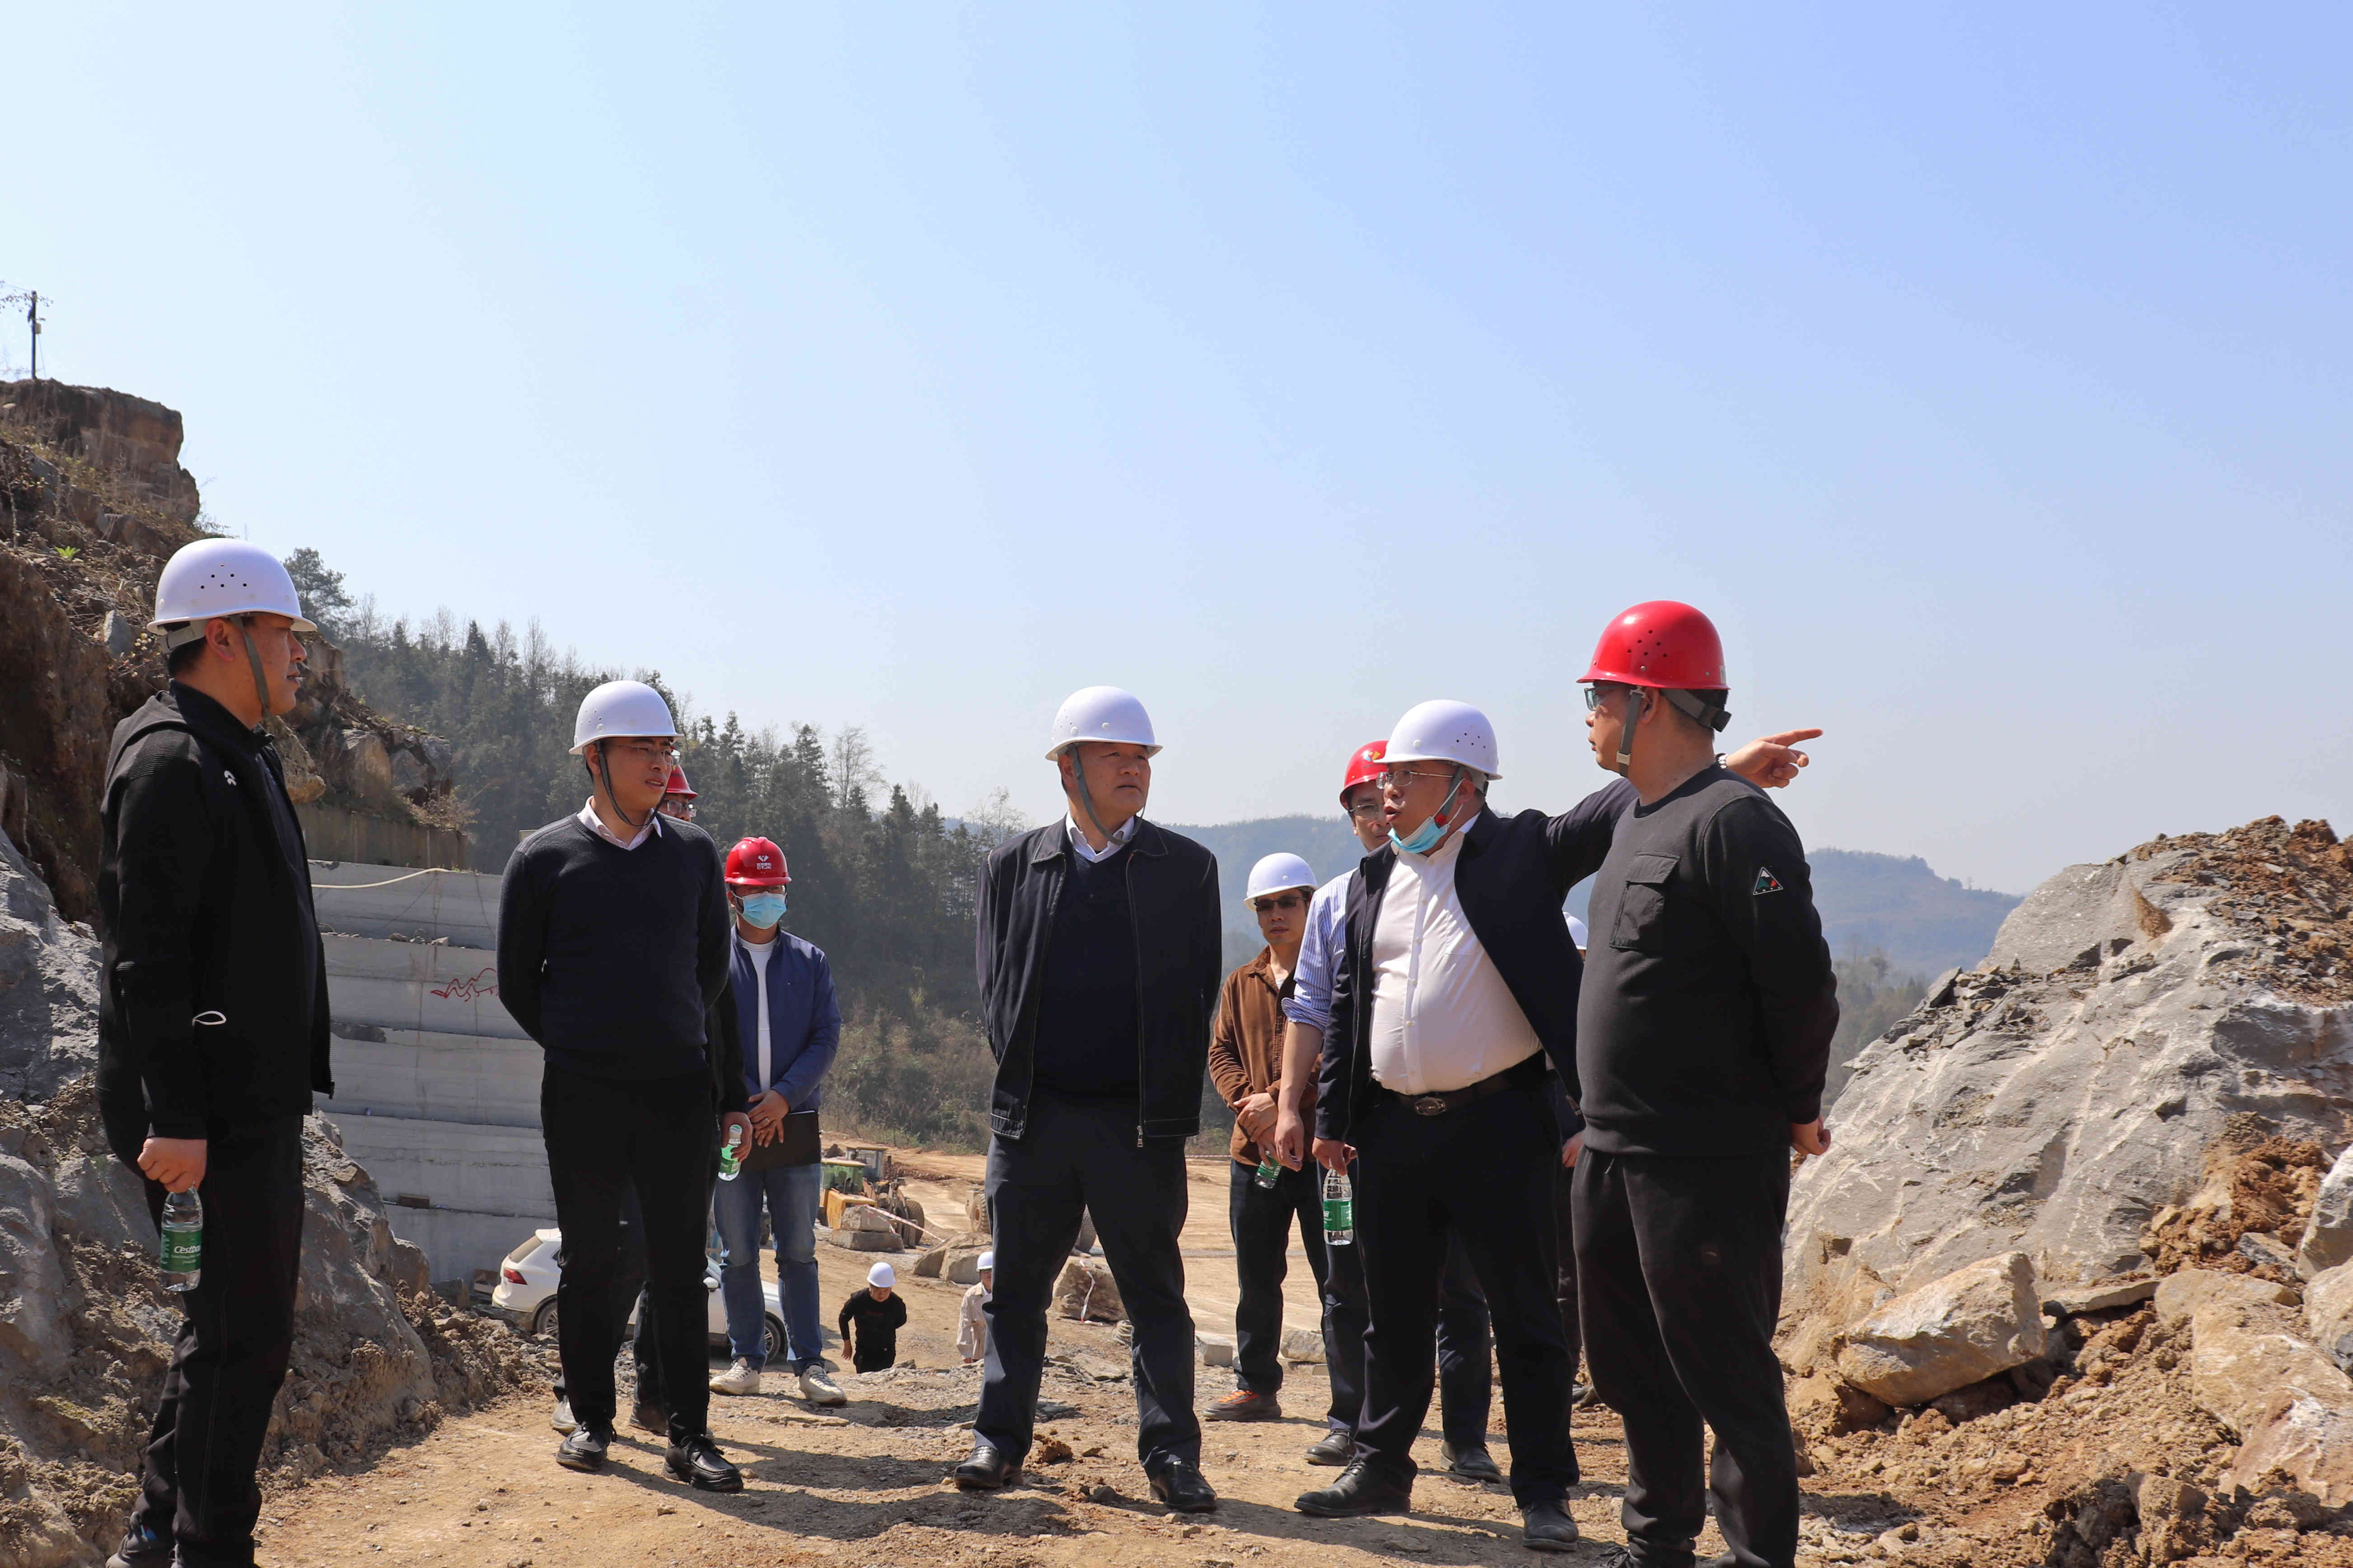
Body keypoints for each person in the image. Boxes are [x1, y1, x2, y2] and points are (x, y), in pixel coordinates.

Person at [1285, 699, 1818, 1552]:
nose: (1387, 792)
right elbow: (1353, 1001)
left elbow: (1626, 797)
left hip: (1498, 1123)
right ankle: (1380, 1462)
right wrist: (1331, 1118)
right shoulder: (1375, 879)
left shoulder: (1521, 852)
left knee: (1525, 1316)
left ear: (1463, 786)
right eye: (1384, 778)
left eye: (1407, 776)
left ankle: (1542, 1490)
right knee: (1393, 1312)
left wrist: (1728, 767)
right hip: (1391, 1131)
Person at [1570, 602, 1837, 1568]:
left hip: (1704, 1157)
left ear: (1648, 701)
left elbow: (1798, 984)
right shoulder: (1638, 819)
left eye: (1600, 696)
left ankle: (1757, 1555)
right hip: (1614, 1150)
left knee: (1725, 1373)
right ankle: (1658, 1545)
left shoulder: (1735, 824)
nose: (1588, 716)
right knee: (1634, 1371)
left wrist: (1797, 1107)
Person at [95, 540, 328, 1568]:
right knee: (244, 1342)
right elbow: (146, 961)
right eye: (286, 634)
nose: (300, 655)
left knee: (226, 1332)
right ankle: (210, 1546)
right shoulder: (171, 760)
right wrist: (177, 1117)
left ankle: (159, 1536)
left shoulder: (236, 751)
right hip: (207, 1114)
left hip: (247, 1103)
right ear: (225, 634)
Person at [956, 686, 1222, 1515]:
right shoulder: (1013, 866)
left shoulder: (1186, 870)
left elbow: (1195, 992)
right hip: (1033, 1120)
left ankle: (1171, 1454)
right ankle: (999, 1440)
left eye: (1141, 757)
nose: (1133, 769)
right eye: (1114, 755)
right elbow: (995, 989)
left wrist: (1163, 1102)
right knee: (1015, 1292)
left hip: (1136, 1126)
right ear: (1067, 767)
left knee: (1155, 1296)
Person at [497, 680, 751, 1493]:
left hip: (677, 1089)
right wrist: (583, 1045)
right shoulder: (544, 858)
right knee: (589, 1260)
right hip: (582, 1092)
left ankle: (689, 1433)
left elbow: (711, 969)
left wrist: (673, 1041)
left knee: (679, 1265)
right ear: (595, 757)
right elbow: (516, 982)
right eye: (642, 748)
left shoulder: (694, 854)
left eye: (666, 748)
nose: (659, 762)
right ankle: (591, 1420)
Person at [1263, 743, 1502, 1476]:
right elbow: (1308, 1008)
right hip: (1357, 1128)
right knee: (1348, 1281)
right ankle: (1351, 1420)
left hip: (1453, 1121)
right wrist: (1292, 1108)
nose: (1376, 817)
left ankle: (1465, 1438)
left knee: (1458, 1289)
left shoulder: (1461, 883)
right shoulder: (1336, 901)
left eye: (1384, 800)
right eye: (1362, 807)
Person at [708, 835, 847, 1406]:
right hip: (732, 1126)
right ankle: (746, 1358)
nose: (767, 898)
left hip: (795, 1123)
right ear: (733, 896)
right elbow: (709, 1037)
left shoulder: (810, 962)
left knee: (799, 1250)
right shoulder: (711, 960)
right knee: (737, 1250)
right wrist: (743, 1105)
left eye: (775, 888)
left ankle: (810, 1364)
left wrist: (784, 1098)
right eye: (756, 890)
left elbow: (826, 1036)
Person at [1202, 852, 1323, 1423]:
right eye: (1265, 905)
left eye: (1287, 902)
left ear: (1310, 905)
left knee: (1341, 1280)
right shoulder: (1240, 983)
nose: (1276, 914)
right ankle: (1255, 1386)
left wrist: (1280, 1098)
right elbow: (1220, 1052)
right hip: (1255, 1158)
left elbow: (1337, 1052)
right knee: (1256, 1277)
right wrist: (1251, 1111)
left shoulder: (1334, 978)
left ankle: (1355, 1400)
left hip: (1325, 1157)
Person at [839, 1262, 908, 1373]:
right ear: (870, 1286)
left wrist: (883, 1328)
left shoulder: (896, 1303)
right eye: (877, 1290)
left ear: (891, 1288)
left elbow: (901, 1320)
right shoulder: (859, 1300)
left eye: (886, 1291)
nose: (882, 1295)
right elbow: (843, 1318)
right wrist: (847, 1343)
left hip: (886, 1350)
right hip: (864, 1349)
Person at [959, 1252, 995, 1365]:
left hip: (1001, 1345)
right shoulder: (971, 1295)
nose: (990, 1274)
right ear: (980, 1274)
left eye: (992, 1270)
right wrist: (966, 1352)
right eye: (986, 1271)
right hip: (980, 1349)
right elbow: (965, 1324)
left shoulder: (1007, 1293)